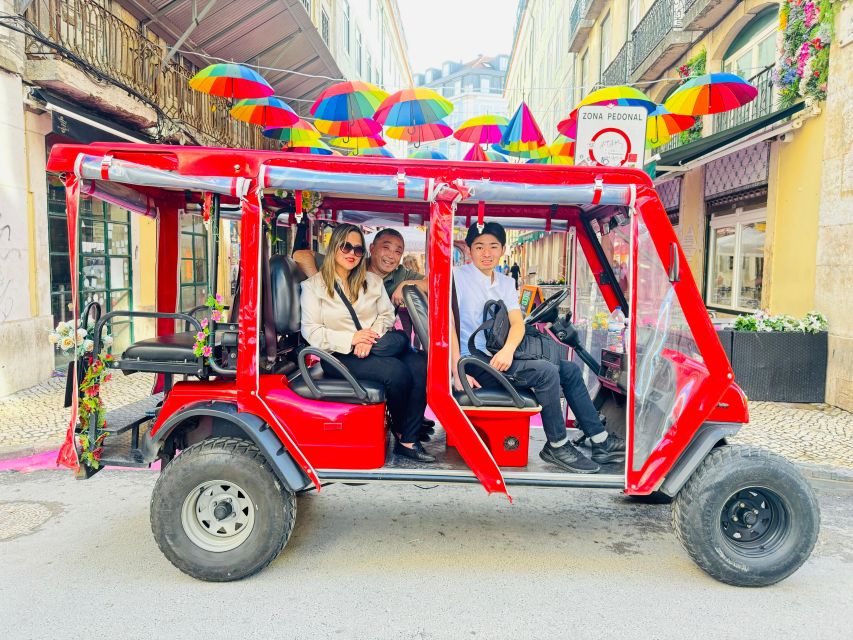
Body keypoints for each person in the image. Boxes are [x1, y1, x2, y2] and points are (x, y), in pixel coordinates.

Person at [451, 221, 625, 474]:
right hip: (474, 362)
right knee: (545, 371)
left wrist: (508, 350)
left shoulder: (505, 282)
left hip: (501, 356)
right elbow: (446, 325)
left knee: (569, 370)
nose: (486, 253)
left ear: (502, 249)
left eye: (493, 246)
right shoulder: (456, 277)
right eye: (479, 247)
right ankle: (557, 443)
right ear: (469, 249)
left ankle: (600, 441)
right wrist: (457, 371)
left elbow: (517, 324)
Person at [300, 224, 434, 462]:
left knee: (421, 364)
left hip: (374, 345)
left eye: (358, 249)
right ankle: (404, 428)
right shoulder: (314, 286)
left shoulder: (371, 281)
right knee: (396, 371)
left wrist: (368, 337)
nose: (352, 253)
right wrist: (352, 339)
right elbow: (312, 330)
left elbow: (386, 315)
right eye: (346, 247)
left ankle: (408, 438)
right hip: (338, 355)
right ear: (335, 247)